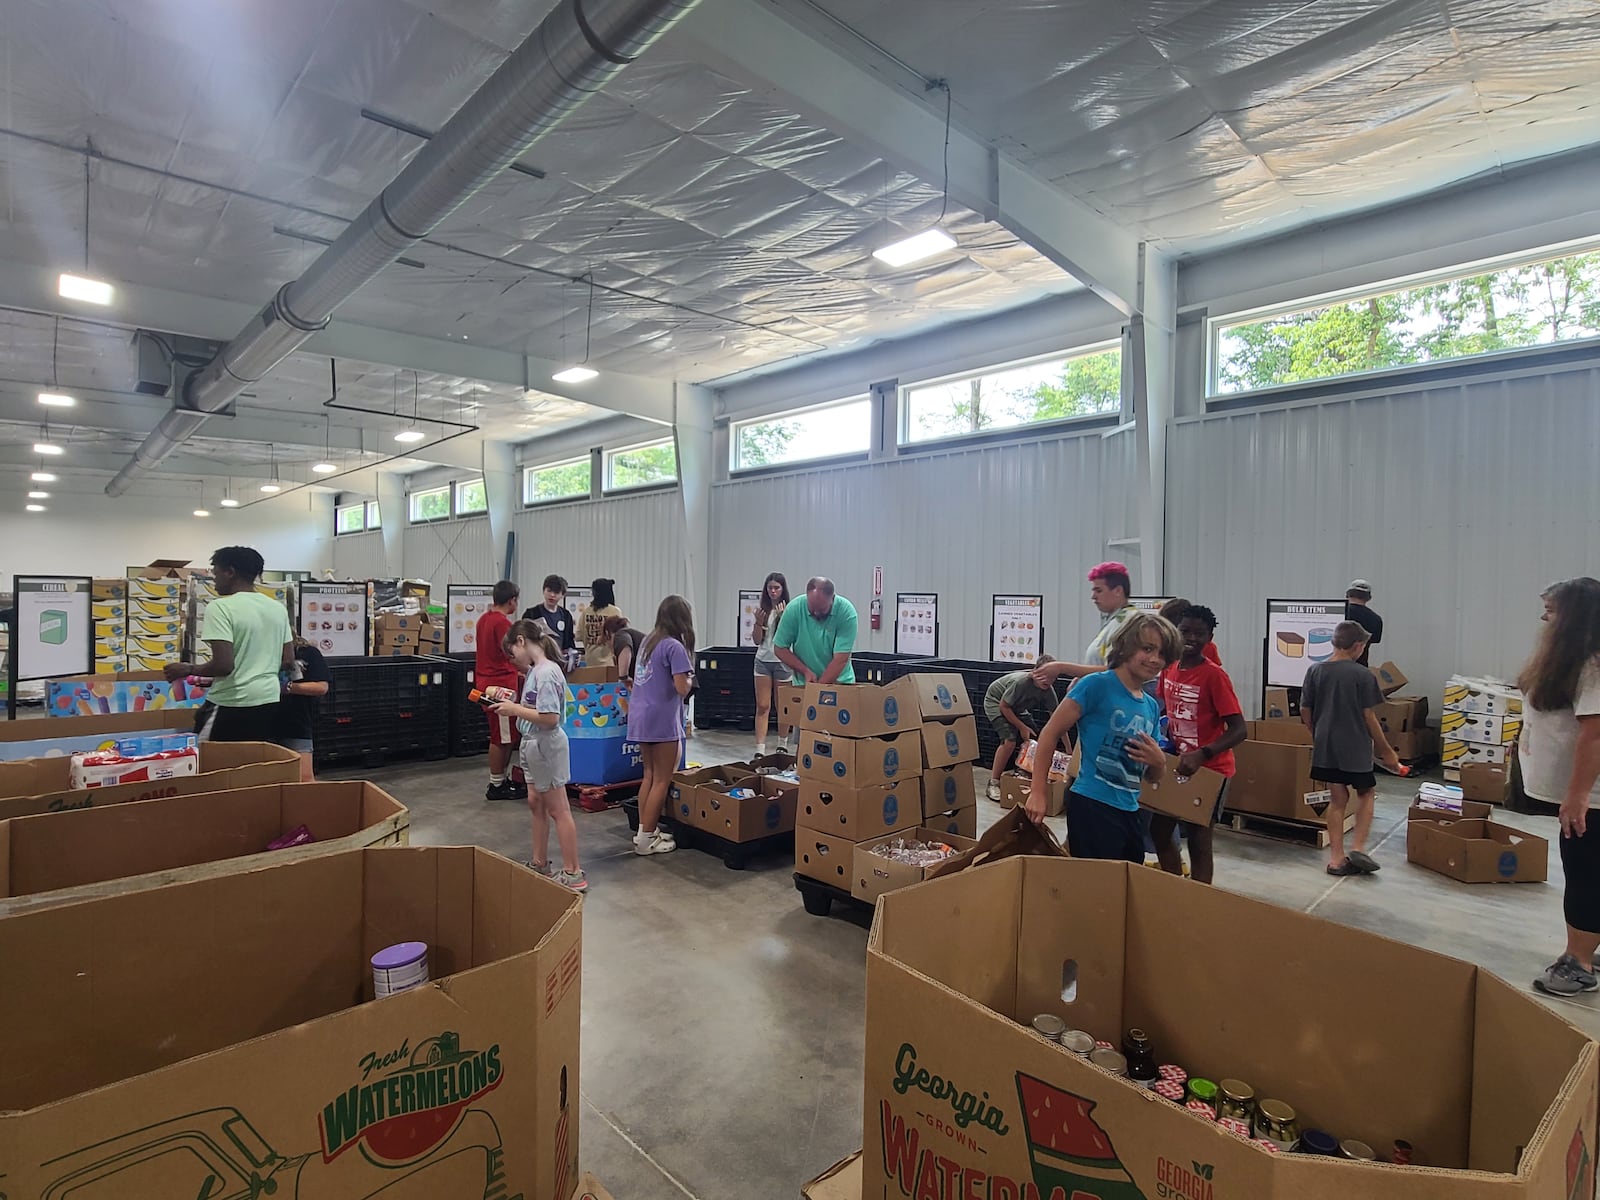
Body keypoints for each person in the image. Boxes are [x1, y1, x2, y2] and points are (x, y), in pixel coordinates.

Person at [1026, 613, 1179, 861]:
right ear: (1127, 646)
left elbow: (1151, 776)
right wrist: (1038, 791)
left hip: (1130, 810)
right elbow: (1049, 733)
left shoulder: (1150, 706)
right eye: (1147, 648)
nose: (1154, 659)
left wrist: (1159, 762)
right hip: (1092, 805)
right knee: (1096, 887)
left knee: (1122, 885)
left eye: (1162, 653)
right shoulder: (1095, 686)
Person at [1521, 578, 1600, 996]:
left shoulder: (1592, 666)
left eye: (1551, 611)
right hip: (1577, 793)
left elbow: (1596, 734)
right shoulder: (1570, 663)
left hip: (1590, 798)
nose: (1544, 618)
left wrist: (1578, 795)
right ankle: (1591, 940)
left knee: (1585, 873)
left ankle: (1578, 962)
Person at [1150, 606, 1247, 884]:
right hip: (1178, 764)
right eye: (1185, 631)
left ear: (1210, 637)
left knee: (1199, 840)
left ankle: (1199, 898)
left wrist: (1202, 753)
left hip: (1210, 770)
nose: (1191, 638)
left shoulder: (1214, 676)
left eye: (1199, 633)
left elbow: (1240, 730)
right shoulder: (1168, 668)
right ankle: (1174, 888)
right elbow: (1165, 710)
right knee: (1160, 830)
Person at [1300, 620, 1405, 876]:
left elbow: (1305, 710)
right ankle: (1358, 848)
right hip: (1355, 746)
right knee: (1366, 792)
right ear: (1358, 646)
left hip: (1326, 745)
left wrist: (1317, 733)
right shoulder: (1362, 675)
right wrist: (1387, 752)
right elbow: (1368, 716)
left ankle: (1336, 859)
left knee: (1338, 800)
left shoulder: (1315, 671)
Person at [489, 620, 585, 893]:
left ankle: (573, 871)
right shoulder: (534, 672)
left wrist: (514, 710)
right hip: (532, 745)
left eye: (512, 653)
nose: (513, 660)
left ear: (521, 641)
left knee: (558, 809)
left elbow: (550, 718)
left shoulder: (547, 673)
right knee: (536, 803)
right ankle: (540, 861)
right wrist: (514, 705)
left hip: (546, 745)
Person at [165, 546, 292, 742]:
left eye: (215, 573)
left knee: (209, 760)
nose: (213, 579)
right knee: (251, 762)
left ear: (230, 572)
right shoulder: (277, 608)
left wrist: (188, 669)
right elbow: (288, 660)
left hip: (232, 701)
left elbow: (223, 665)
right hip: (269, 699)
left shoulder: (220, 607)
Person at [630, 596, 696, 856]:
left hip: (641, 716)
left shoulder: (649, 641)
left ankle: (643, 833)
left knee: (648, 776)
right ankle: (647, 840)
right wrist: (690, 679)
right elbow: (682, 688)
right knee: (662, 780)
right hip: (662, 721)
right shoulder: (674, 647)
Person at [1032, 562, 1140, 687]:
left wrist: (1061, 667)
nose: (1093, 597)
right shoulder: (1115, 621)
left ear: (1118, 591)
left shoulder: (1127, 623)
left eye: (1098, 591)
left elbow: (1116, 672)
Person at [983, 656, 1059, 801]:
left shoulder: (1048, 691)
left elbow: (1057, 719)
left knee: (1036, 738)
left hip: (1017, 707)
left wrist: (1068, 750)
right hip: (997, 701)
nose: (1047, 681)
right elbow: (1004, 707)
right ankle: (993, 782)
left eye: (1052, 678)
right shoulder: (1021, 682)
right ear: (1035, 671)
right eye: (1044, 676)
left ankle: (1023, 773)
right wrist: (1021, 727)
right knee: (1009, 741)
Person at [476, 580, 526, 802]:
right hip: (500, 687)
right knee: (502, 737)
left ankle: (501, 780)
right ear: (512, 600)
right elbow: (511, 654)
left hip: (485, 681)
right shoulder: (502, 624)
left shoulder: (483, 620)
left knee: (503, 735)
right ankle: (497, 784)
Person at [774, 577, 856, 685]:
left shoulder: (846, 612)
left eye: (821, 609)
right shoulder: (794, 609)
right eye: (812, 608)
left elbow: (840, 659)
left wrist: (817, 690)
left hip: (840, 683)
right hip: (804, 684)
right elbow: (779, 648)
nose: (816, 613)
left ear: (832, 598)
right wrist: (805, 671)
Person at [274, 631, 330, 782]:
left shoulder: (308, 653)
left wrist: (287, 688)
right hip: (263, 723)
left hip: (296, 724)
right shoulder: (261, 653)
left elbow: (322, 687)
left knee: (304, 779)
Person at [751, 572, 792, 757]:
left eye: (776, 588)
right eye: (770, 588)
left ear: (783, 590)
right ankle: (760, 749)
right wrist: (758, 624)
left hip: (782, 662)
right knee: (763, 706)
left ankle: (782, 745)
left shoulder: (789, 610)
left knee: (783, 706)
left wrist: (783, 618)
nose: (773, 591)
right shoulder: (763, 611)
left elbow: (788, 638)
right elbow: (757, 640)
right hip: (763, 661)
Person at [523, 574, 576, 658]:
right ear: (543, 591)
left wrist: (572, 654)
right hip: (536, 659)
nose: (552, 595)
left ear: (562, 595)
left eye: (556, 592)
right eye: (549, 591)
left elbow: (569, 642)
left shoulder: (566, 615)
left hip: (559, 660)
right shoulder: (531, 613)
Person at [580, 578, 623, 668]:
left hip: (590, 661)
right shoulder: (614, 611)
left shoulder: (586, 612)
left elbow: (579, 635)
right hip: (609, 662)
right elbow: (621, 637)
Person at [1344, 580, 1383, 667]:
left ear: (1347, 594)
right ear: (1368, 598)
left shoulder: (1336, 615)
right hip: (1361, 667)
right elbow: (1375, 639)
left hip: (1335, 667)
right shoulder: (1375, 619)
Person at [607, 614, 644, 685]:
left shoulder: (620, 634)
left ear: (607, 632)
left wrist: (623, 677)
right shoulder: (633, 635)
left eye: (606, 643)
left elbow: (624, 645)